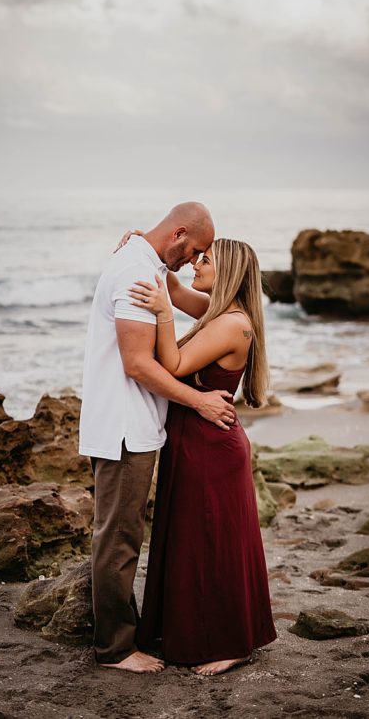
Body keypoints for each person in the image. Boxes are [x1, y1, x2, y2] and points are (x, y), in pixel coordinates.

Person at [79, 202, 236, 674]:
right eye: (195, 250)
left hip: (135, 425)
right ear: (179, 233)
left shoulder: (146, 265)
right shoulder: (135, 271)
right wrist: (199, 402)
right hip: (125, 427)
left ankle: (124, 635)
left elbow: (205, 308)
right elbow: (138, 364)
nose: (194, 261)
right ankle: (115, 649)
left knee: (123, 533)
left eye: (203, 257)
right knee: (119, 538)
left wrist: (165, 279)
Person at [127, 237, 277, 676]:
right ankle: (189, 629)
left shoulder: (232, 324)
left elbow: (173, 365)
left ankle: (232, 644)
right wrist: (142, 243)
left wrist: (161, 314)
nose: (196, 264)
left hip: (211, 445)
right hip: (195, 440)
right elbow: (172, 286)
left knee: (214, 544)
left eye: (205, 260)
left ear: (226, 270)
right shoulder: (218, 312)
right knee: (193, 540)